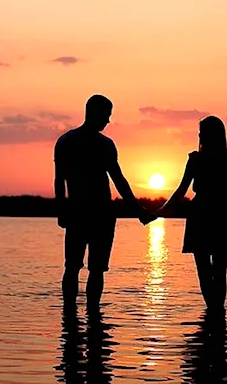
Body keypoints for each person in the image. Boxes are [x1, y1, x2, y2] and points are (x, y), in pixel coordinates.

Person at [54, 94, 155, 308]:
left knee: (81, 267)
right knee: (83, 267)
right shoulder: (84, 143)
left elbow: (60, 181)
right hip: (89, 213)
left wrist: (138, 210)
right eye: (106, 116)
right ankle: (81, 316)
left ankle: (80, 315)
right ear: (94, 113)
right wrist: (62, 210)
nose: (108, 121)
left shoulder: (67, 141)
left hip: (91, 213)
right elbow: (117, 180)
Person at [156, 116, 227, 311]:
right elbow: (182, 190)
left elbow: (182, 190)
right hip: (217, 213)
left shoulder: (209, 160)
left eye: (202, 132)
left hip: (207, 213)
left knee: (210, 270)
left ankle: (215, 310)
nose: (200, 135)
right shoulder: (226, 160)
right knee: (214, 270)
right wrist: (161, 211)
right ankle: (215, 312)